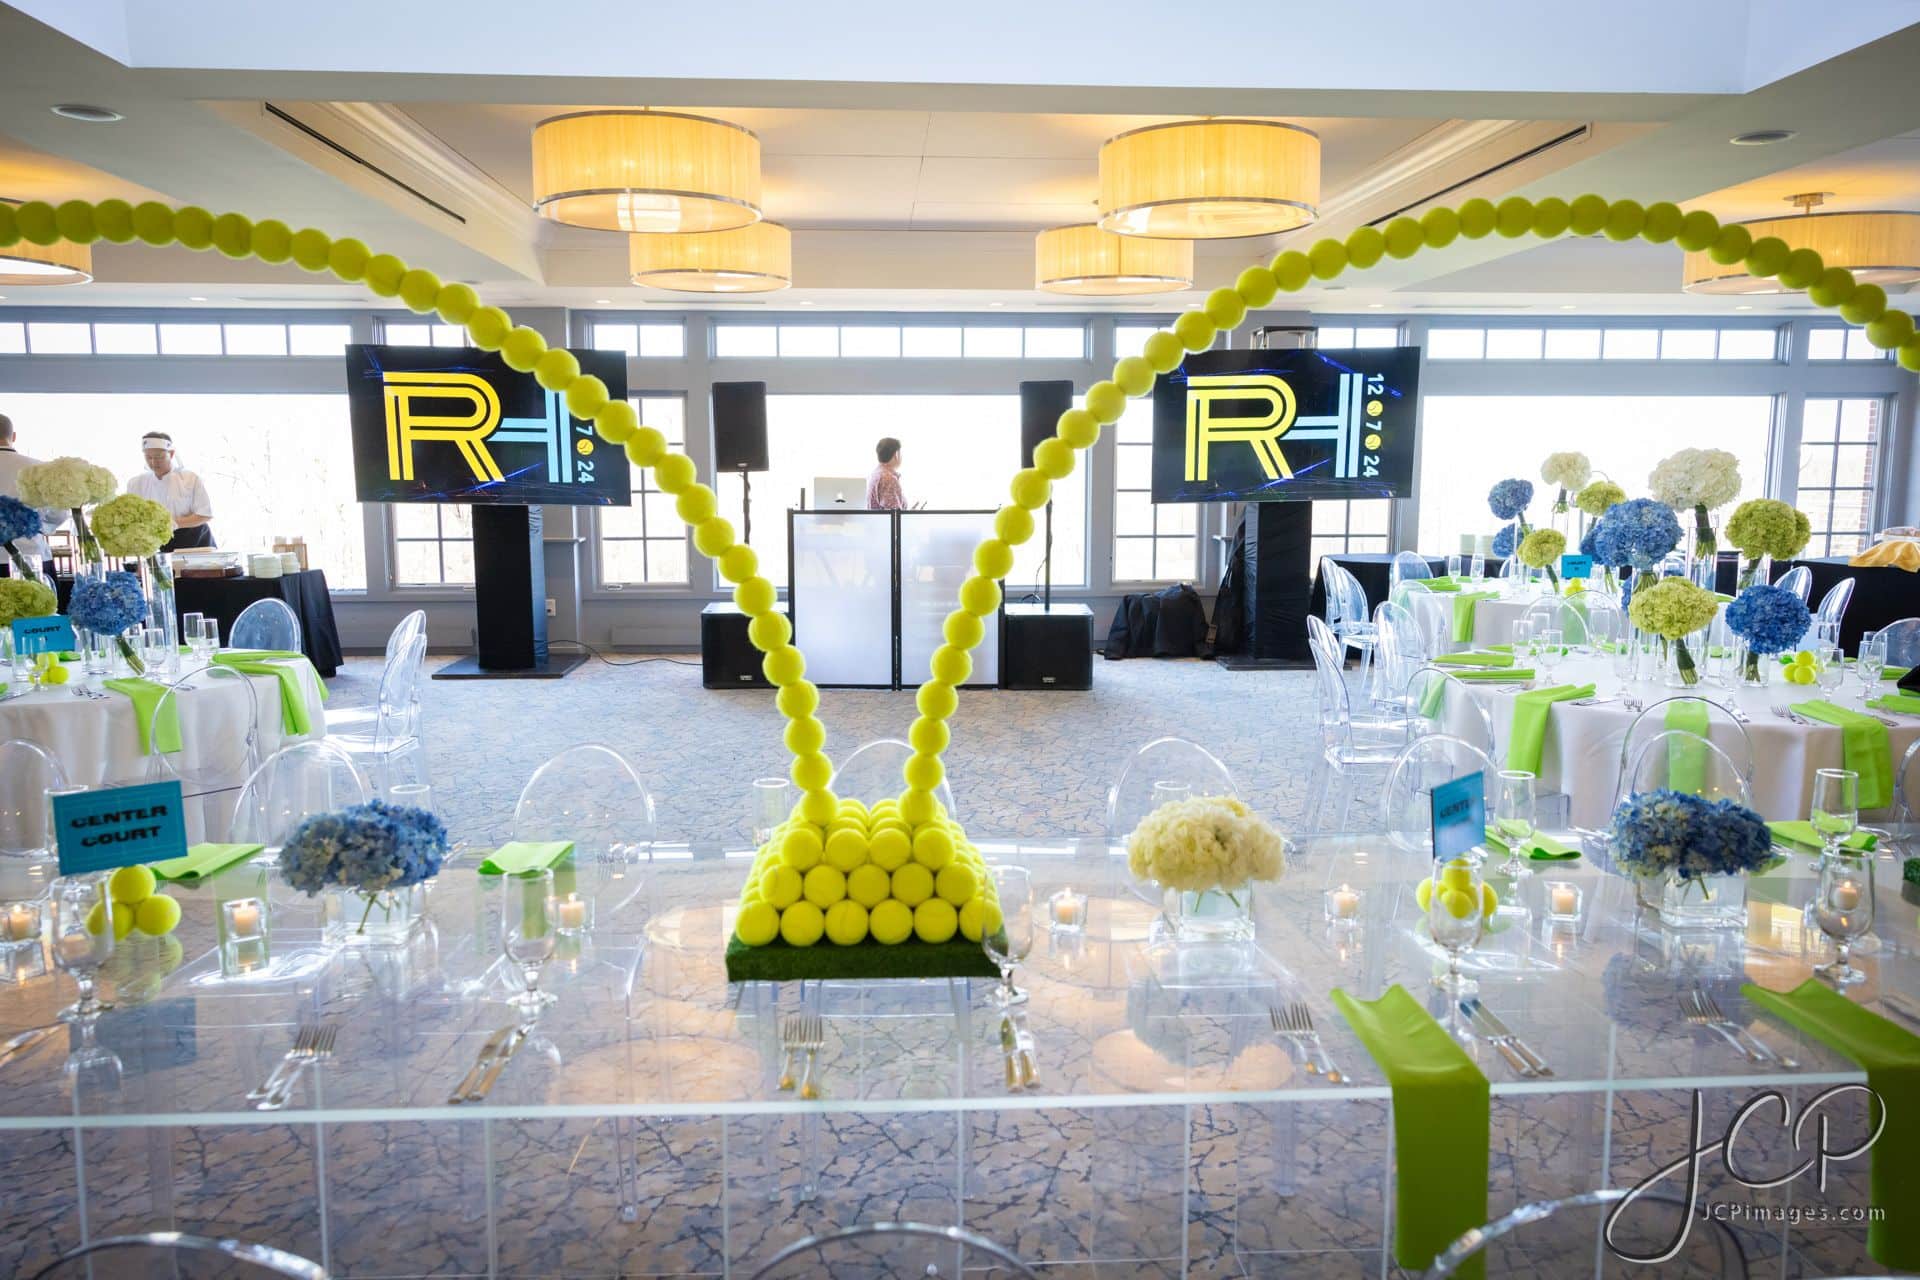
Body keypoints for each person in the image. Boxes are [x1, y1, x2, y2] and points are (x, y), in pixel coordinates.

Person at [0, 412, 66, 573]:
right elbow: (59, 514)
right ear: (13, 436)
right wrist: (34, 525)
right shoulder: (40, 469)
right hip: (31, 557)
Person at [127, 432, 216, 549]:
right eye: (148, 457)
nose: (153, 462)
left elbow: (205, 515)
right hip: (157, 544)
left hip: (196, 541)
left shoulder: (190, 478)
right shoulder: (136, 483)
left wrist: (172, 523)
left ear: (172, 453)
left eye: (159, 457)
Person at [866, 436, 906, 512]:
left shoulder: (875, 473)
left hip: (876, 523)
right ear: (896, 455)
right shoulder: (888, 478)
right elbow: (894, 516)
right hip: (886, 524)